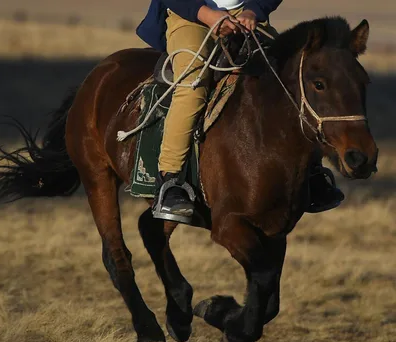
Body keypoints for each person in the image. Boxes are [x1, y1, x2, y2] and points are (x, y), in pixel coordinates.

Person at [136, 0, 344, 222]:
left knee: (291, 73)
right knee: (192, 85)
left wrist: (253, 10)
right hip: (189, 14)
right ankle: (170, 179)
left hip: (244, 15)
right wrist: (208, 15)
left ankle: (311, 170)